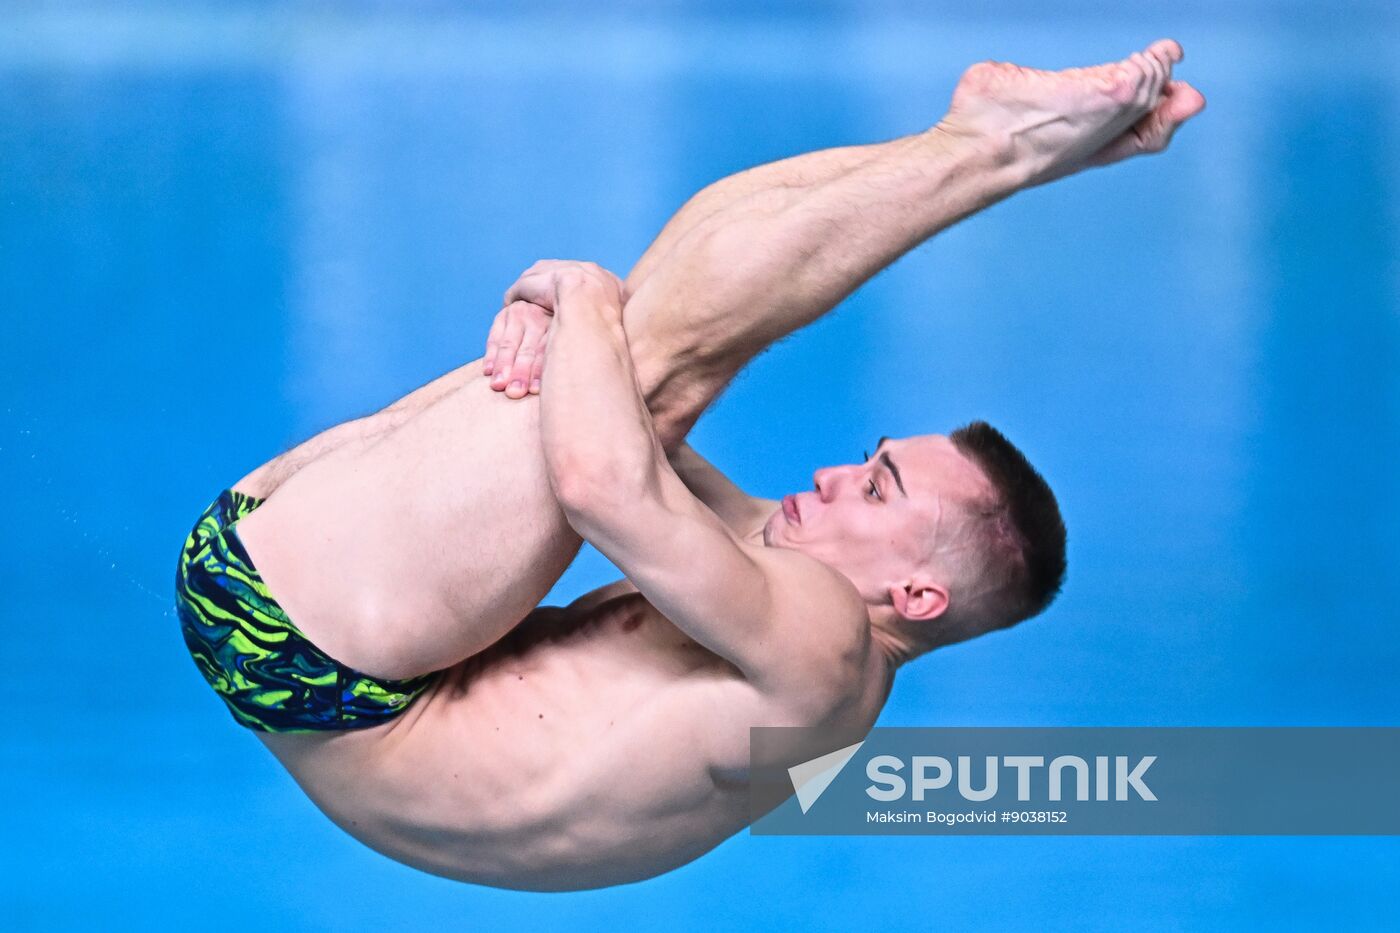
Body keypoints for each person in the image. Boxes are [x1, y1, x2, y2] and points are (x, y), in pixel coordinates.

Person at [175, 41, 1204, 890]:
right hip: (293, 628)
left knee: (647, 350)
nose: (836, 477)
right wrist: (576, 321)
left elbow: (601, 482)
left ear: (917, 592)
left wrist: (571, 291)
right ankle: (981, 145)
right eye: (864, 462)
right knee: (655, 343)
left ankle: (994, 150)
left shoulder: (825, 651)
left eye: (877, 488)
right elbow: (654, 389)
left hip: (310, 651)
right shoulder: (798, 625)